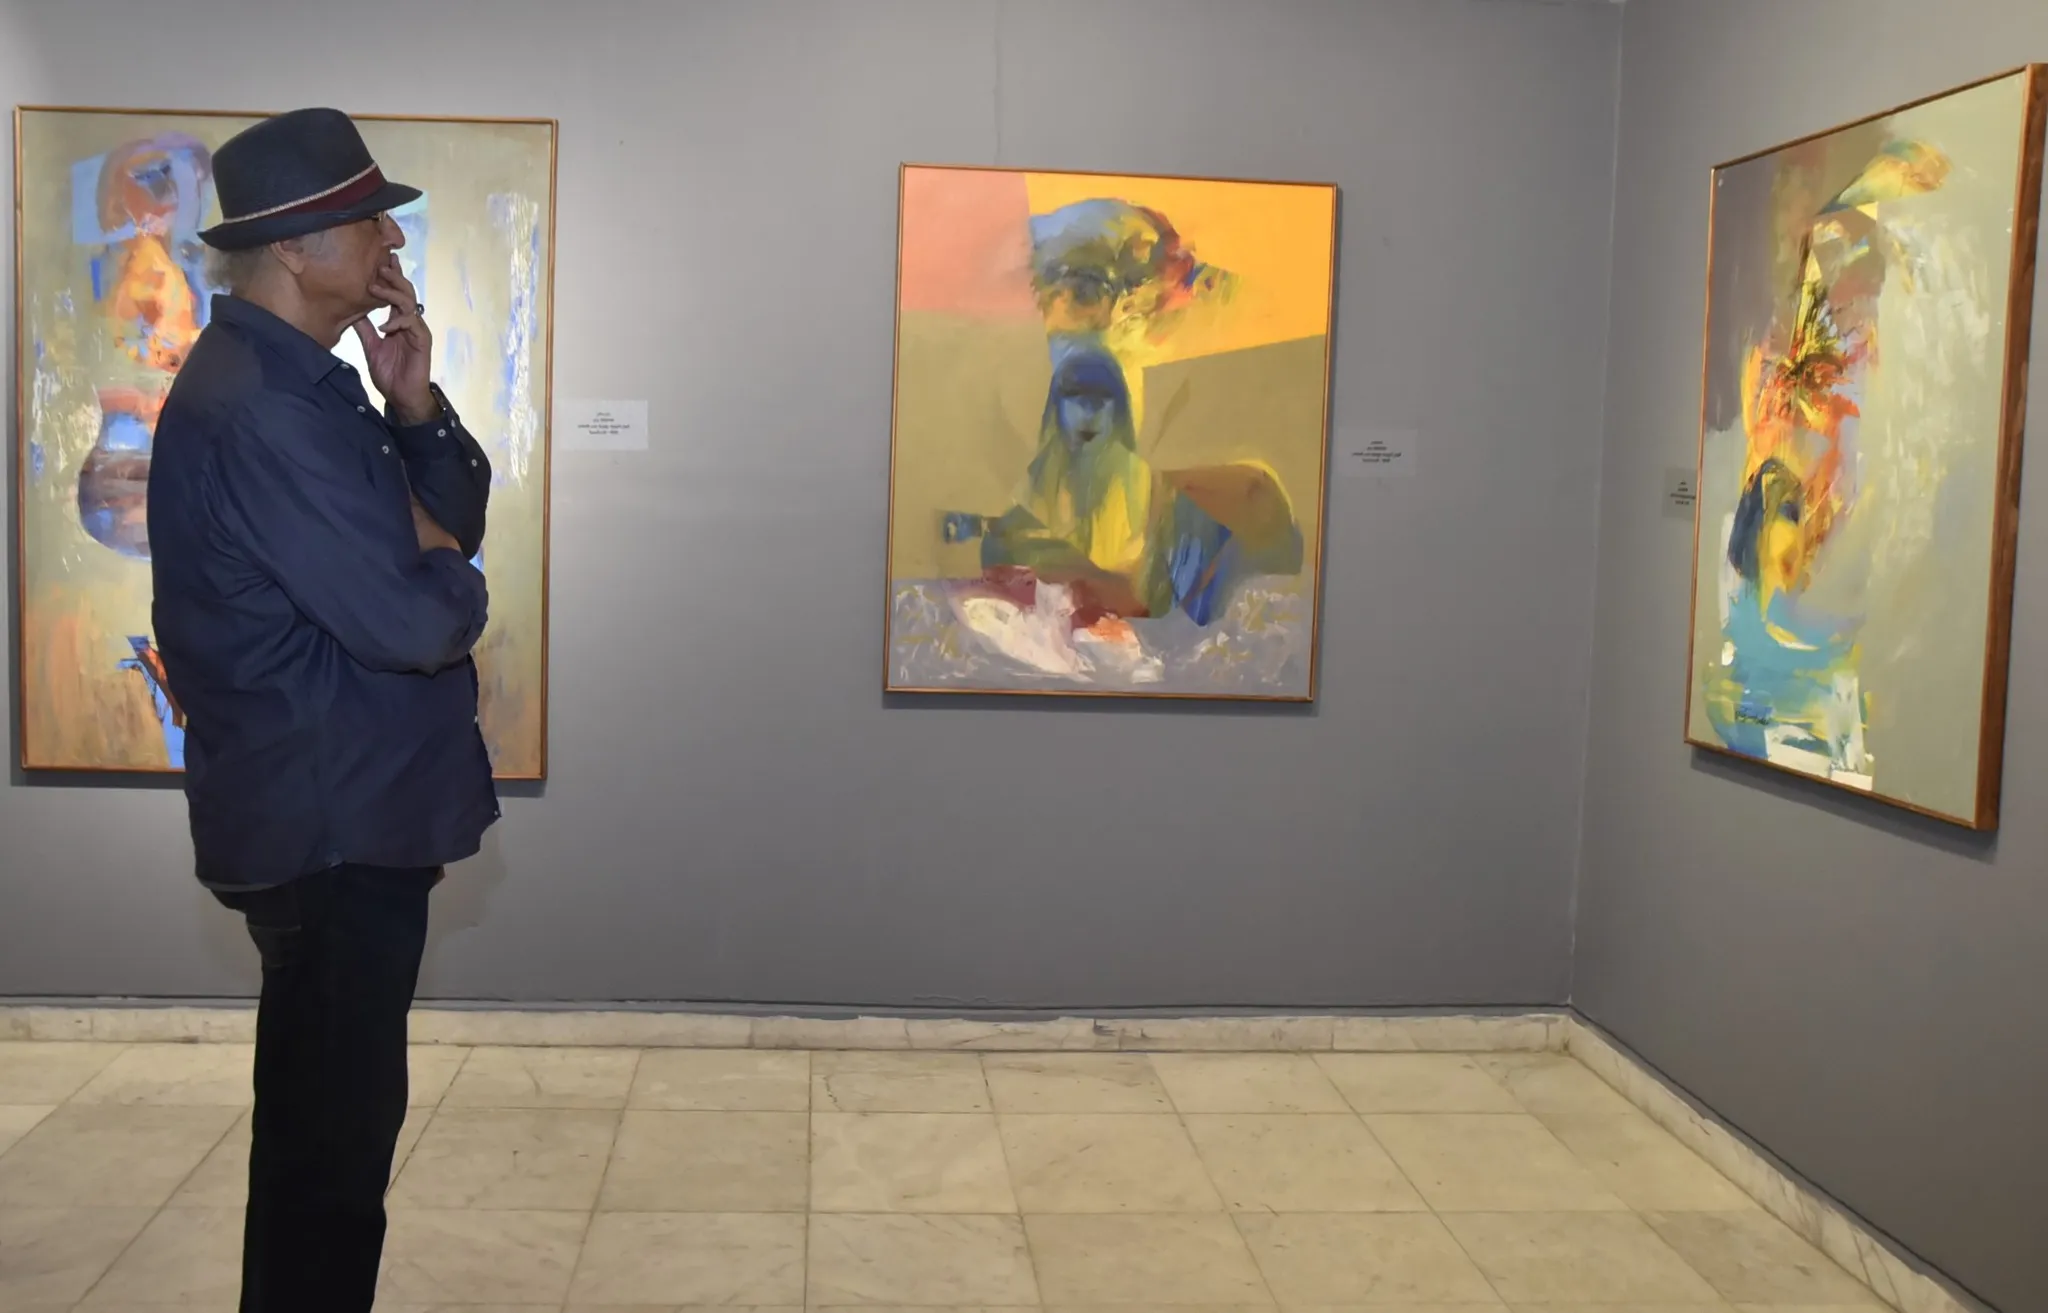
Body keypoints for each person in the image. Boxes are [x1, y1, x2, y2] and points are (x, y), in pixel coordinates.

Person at [146, 107, 500, 1312]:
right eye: (367, 220)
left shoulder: (310, 382)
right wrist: (444, 567)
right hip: (328, 826)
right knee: (327, 1161)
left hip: (346, 813)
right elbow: (412, 620)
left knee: (331, 1139)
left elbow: (445, 525)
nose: (391, 240)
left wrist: (415, 407)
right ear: (296, 249)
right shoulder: (260, 403)